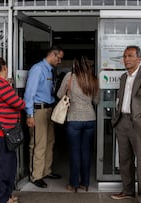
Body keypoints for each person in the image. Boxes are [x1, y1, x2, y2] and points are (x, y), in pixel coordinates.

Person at [110, 45, 141, 203]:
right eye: (125, 56)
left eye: (130, 56)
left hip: (139, 124)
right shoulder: (124, 77)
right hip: (122, 122)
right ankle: (128, 191)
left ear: (139, 58)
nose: (126, 59)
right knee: (125, 160)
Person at [0, 57, 25, 203]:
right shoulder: (2, 85)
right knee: (2, 167)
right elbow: (19, 104)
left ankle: (5, 196)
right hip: (3, 132)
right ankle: (1, 199)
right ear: (5, 68)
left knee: (2, 164)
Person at [56, 56, 99, 192]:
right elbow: (96, 101)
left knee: (75, 152)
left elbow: (59, 95)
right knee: (85, 151)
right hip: (90, 118)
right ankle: (85, 183)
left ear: (76, 65)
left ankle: (73, 184)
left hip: (74, 118)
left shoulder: (70, 76)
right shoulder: (94, 79)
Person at [24, 45, 64, 188]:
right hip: (38, 111)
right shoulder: (38, 69)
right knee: (38, 144)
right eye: (59, 58)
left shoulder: (50, 70)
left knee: (49, 142)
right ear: (53, 55)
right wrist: (30, 114)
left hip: (49, 110)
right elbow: (29, 94)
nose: (60, 61)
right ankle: (36, 175)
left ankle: (46, 171)